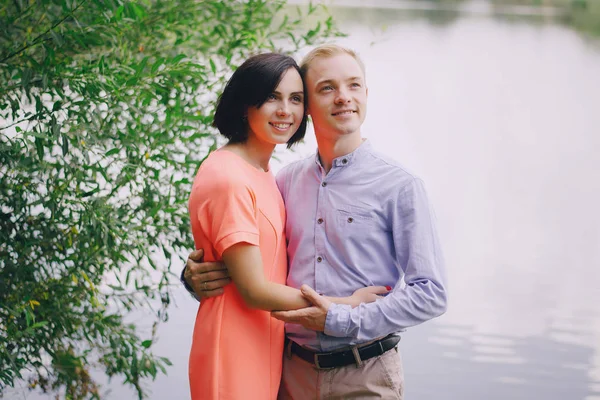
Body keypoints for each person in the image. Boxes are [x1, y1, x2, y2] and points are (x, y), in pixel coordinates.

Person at [183, 45, 448, 399]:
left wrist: (343, 316)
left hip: (364, 376)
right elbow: (252, 256)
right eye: (327, 88)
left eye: (353, 85)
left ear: (366, 93)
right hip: (289, 374)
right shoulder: (284, 181)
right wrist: (194, 275)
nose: (344, 98)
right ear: (308, 106)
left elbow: (431, 294)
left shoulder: (400, 185)